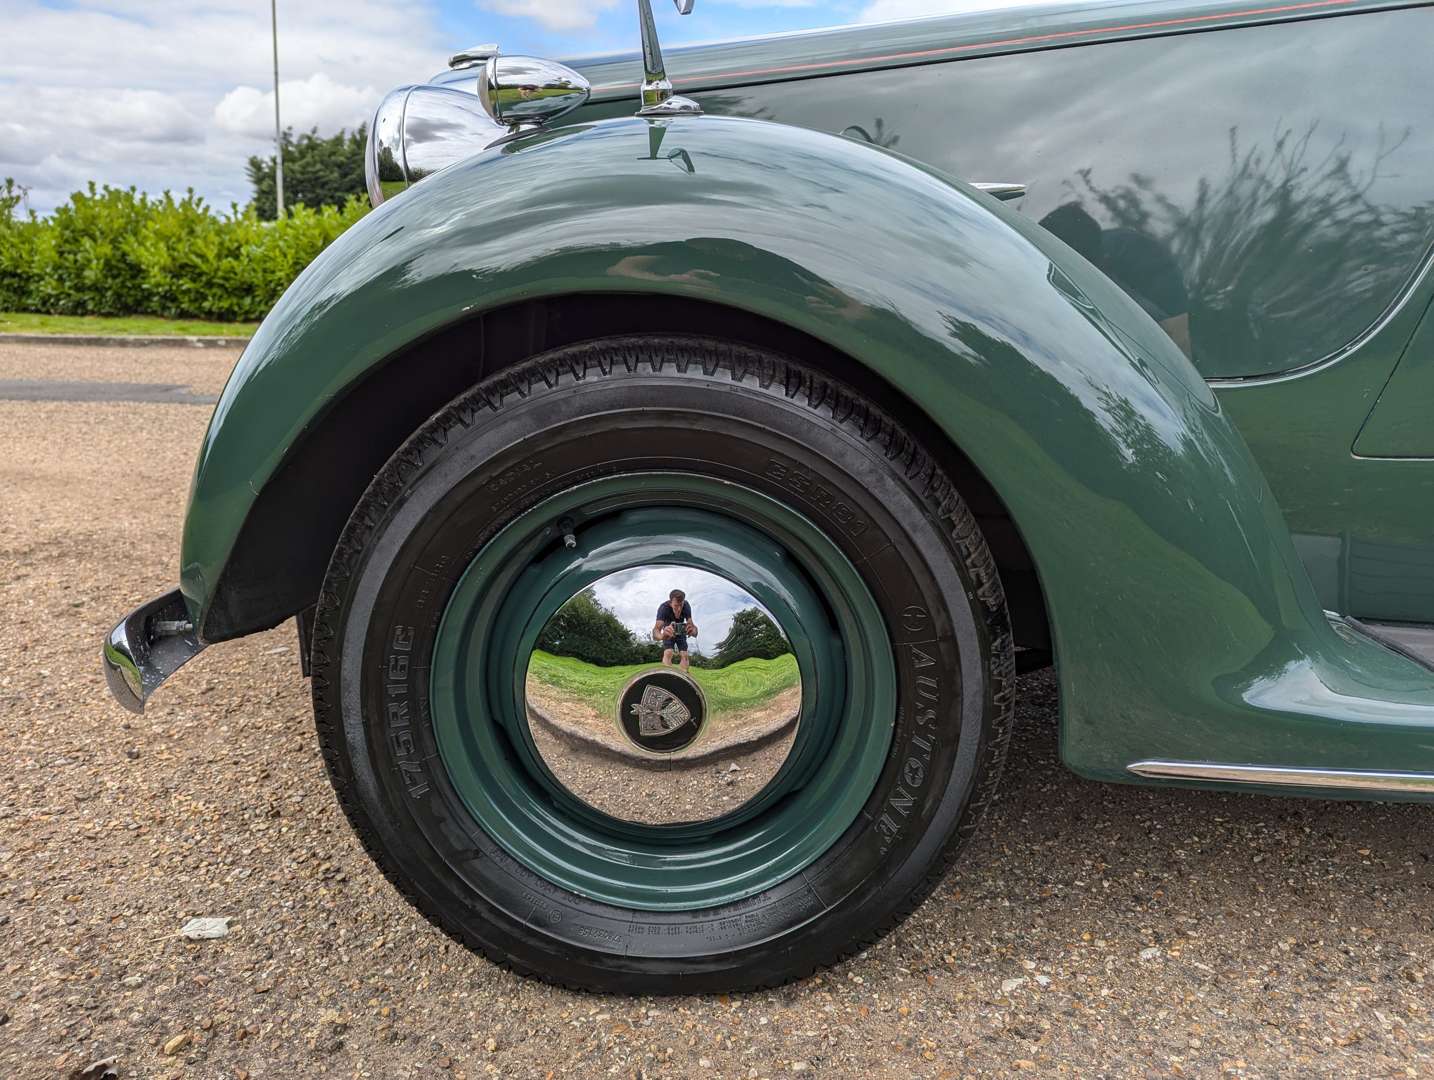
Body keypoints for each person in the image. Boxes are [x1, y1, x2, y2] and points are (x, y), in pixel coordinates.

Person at [652, 589, 697, 671]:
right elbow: (655, 632)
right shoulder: (663, 608)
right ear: (670, 603)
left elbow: (694, 629)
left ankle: (685, 675)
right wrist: (663, 636)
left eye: (681, 605)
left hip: (681, 630)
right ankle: (668, 676)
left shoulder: (686, 605)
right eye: (676, 606)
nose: (679, 609)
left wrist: (692, 630)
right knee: (668, 652)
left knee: (685, 654)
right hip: (668, 630)